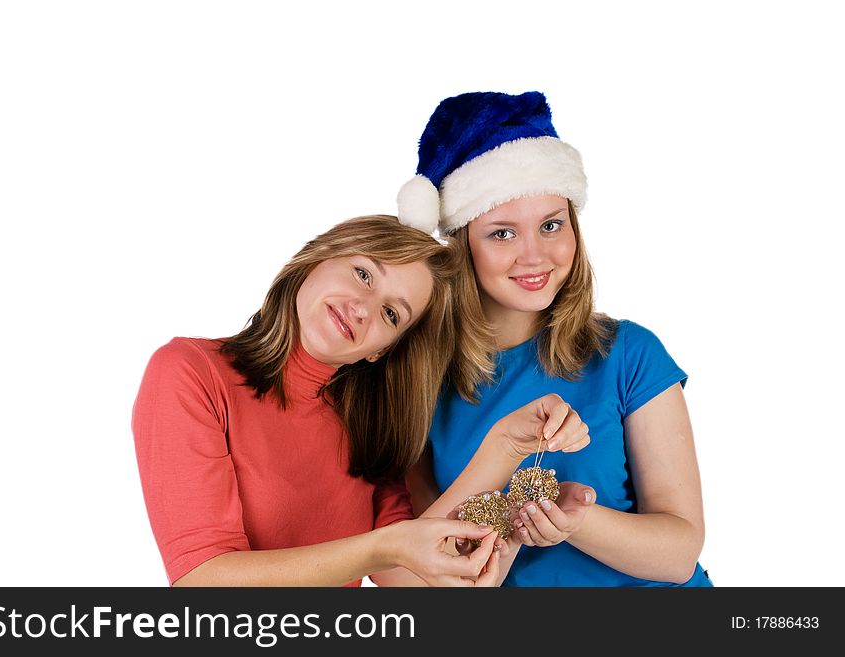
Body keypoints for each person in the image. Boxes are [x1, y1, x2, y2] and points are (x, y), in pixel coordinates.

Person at [132, 214, 590, 587]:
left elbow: (407, 583)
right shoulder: (191, 372)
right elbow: (201, 582)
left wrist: (506, 448)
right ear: (319, 257)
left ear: (382, 349)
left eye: (392, 313)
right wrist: (382, 547)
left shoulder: (369, 425)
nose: (362, 308)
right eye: (364, 274)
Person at [397, 91, 712, 587]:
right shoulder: (417, 379)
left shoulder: (628, 354)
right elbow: (426, 567)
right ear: (462, 246)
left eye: (551, 225)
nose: (535, 256)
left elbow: (678, 553)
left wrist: (575, 520)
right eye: (502, 233)